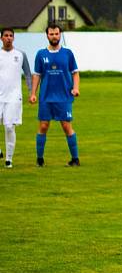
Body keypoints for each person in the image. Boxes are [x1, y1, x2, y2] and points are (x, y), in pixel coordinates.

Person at [29, 24, 80, 167]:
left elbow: (75, 73)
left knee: (66, 126)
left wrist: (75, 88)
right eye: (51, 34)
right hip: (46, 97)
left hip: (64, 97)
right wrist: (33, 93)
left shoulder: (68, 53)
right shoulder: (41, 54)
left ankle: (75, 159)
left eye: (56, 34)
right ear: (47, 36)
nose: (54, 36)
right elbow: (37, 75)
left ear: (60, 34)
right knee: (44, 126)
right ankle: (40, 159)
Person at [0, 28, 33, 168]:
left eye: (11, 36)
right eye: (5, 35)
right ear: (1, 38)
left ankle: (9, 159)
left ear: (14, 38)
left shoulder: (20, 55)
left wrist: (32, 92)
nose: (8, 38)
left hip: (14, 97)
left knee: (9, 127)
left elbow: (28, 74)